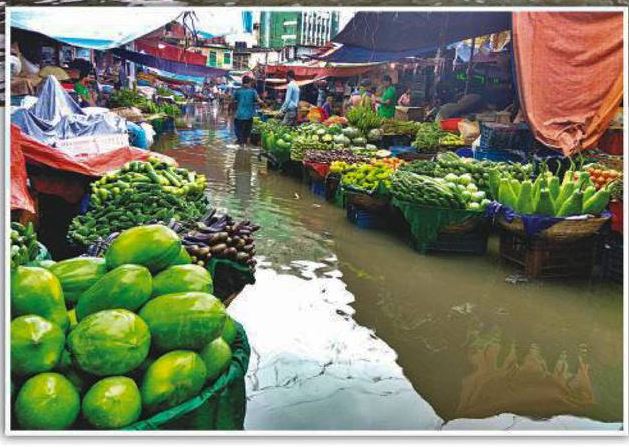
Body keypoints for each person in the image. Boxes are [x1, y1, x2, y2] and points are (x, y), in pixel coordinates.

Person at [233, 76, 262, 147]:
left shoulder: (237, 91)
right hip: (249, 116)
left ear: (242, 82)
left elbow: (232, 100)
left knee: (239, 132)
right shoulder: (253, 91)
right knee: (246, 133)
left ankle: (240, 145)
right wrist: (262, 102)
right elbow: (259, 101)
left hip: (239, 115)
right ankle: (244, 145)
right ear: (249, 82)